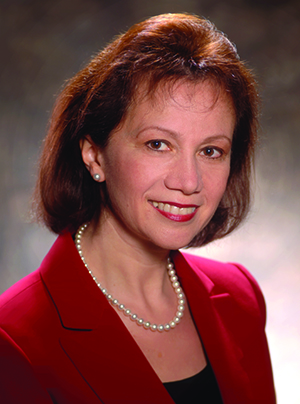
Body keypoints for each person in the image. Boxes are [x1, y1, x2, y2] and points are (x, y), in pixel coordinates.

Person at [0, 13, 276, 404]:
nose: (189, 182)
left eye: (211, 151)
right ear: (94, 155)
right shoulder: (13, 340)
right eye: (158, 144)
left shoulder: (241, 298)